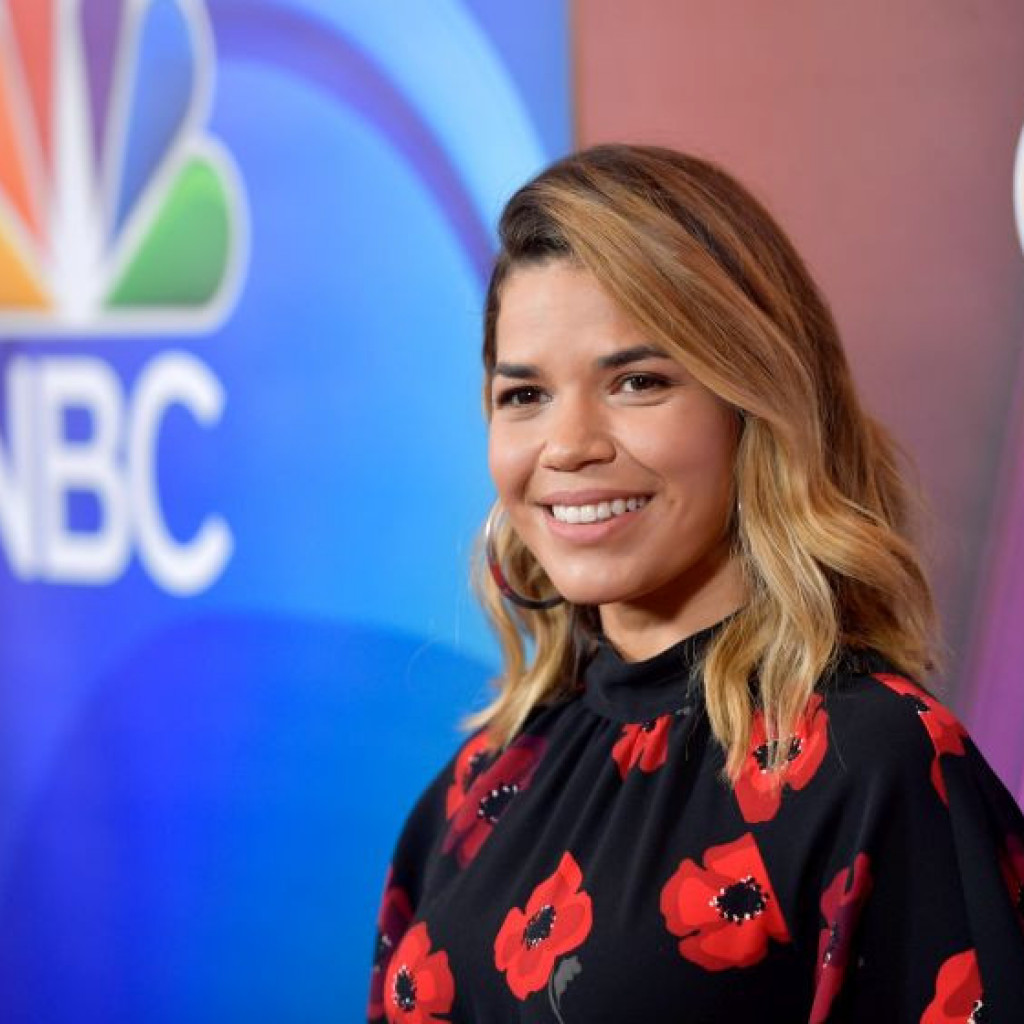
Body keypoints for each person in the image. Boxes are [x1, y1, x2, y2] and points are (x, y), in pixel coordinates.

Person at [366, 144, 1024, 1022]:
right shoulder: (482, 782)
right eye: (525, 396)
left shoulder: (879, 763)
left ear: (753, 405)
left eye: (638, 382)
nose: (568, 446)